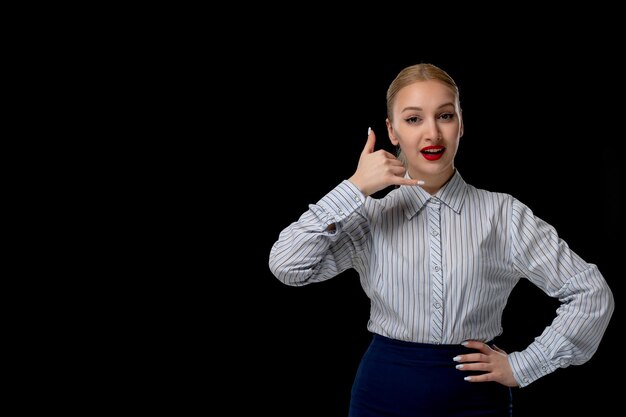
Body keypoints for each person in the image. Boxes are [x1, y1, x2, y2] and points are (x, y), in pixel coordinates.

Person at [268, 63, 614, 417]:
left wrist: (526, 365)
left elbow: (590, 293)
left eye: (445, 116)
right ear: (393, 131)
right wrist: (353, 188)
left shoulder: (503, 215)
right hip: (381, 395)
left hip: (477, 401)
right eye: (414, 119)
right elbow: (287, 266)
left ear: (461, 124)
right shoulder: (369, 216)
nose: (432, 133)